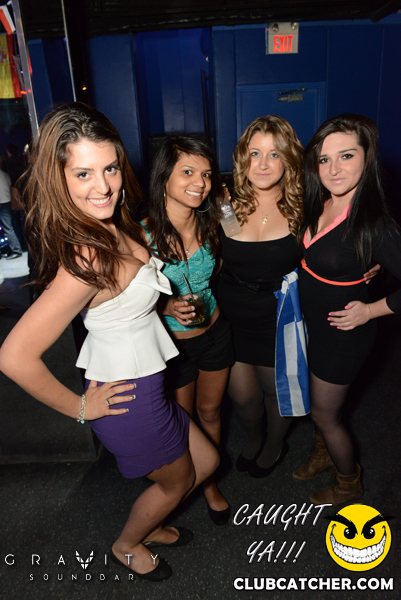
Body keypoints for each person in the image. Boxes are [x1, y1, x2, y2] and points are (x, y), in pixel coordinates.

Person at [0, 102, 219, 581]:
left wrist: (159, 306)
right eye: (83, 173)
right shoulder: (88, 256)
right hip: (128, 398)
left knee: (207, 461)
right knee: (180, 479)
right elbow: (14, 356)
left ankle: (151, 524)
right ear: (59, 179)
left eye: (110, 168)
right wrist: (81, 408)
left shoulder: (113, 221)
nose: (102, 187)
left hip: (151, 382)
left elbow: (124, 297)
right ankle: (128, 543)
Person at [294, 113, 401, 505]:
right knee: (318, 405)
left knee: (326, 415)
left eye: (347, 156)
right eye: (324, 159)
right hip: (315, 326)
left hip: (344, 336)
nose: (334, 168)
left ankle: (348, 483)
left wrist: (371, 311)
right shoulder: (323, 202)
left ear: (367, 158)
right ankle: (323, 453)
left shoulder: (374, 221)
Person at [142, 135, 234, 525]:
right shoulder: (141, 236)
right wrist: (163, 304)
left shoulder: (212, 222)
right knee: (184, 422)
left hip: (216, 333)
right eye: (188, 172)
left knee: (211, 411)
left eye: (207, 174)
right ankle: (187, 479)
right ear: (164, 177)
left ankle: (209, 482)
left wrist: (224, 201)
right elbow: (122, 296)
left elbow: (245, 235)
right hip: (174, 347)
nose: (201, 182)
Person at [216, 115, 305, 478]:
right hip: (232, 318)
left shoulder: (302, 209)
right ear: (243, 157)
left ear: (288, 160)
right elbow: (219, 253)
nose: (263, 164)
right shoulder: (227, 204)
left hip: (276, 320)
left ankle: (274, 443)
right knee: (242, 397)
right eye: (255, 153)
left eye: (274, 154)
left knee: (275, 392)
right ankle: (254, 437)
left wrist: (366, 267)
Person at [0, 164, 23, 259]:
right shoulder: (4, 173)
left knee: (7, 228)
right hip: (8, 201)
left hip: (2, 202)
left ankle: (16, 250)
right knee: (9, 226)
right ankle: (13, 248)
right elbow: (10, 185)